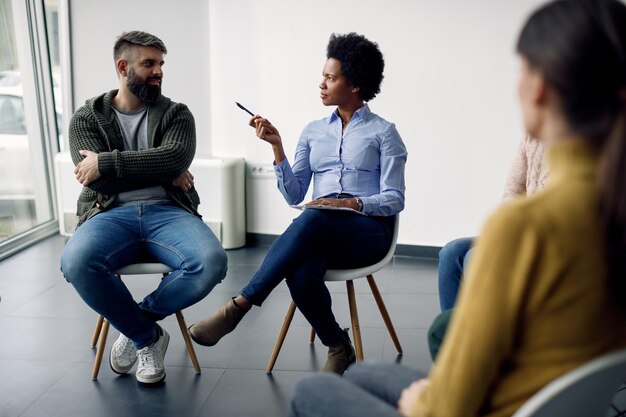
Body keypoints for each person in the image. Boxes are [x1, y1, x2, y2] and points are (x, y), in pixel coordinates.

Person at [289, 0, 626, 416]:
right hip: (551, 399)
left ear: (539, 86)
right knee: (363, 374)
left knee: (312, 393)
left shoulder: (527, 228)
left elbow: (449, 407)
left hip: (484, 405)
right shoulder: (611, 208)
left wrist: (424, 399)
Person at [188, 32, 407, 375]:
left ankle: (239, 306)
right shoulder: (312, 131)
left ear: (355, 84)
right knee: (301, 270)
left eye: (330, 78)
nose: (321, 84)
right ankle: (338, 345)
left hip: (367, 232)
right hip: (321, 227)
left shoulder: (384, 133)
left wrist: (352, 203)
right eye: (323, 76)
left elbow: (394, 198)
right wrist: (277, 147)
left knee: (315, 219)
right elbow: (294, 195)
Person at [60, 31, 227, 385]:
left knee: (211, 263)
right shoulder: (86, 118)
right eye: (149, 63)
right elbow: (98, 182)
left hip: (168, 212)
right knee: (75, 262)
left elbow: (175, 157)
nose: (158, 71)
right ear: (123, 67)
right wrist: (163, 170)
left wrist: (108, 162)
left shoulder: (177, 114)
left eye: (161, 63)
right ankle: (148, 339)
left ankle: (136, 323)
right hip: (108, 214)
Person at [438, 135, 549, 311]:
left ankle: (483, 334)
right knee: (451, 252)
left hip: (547, 240)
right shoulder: (531, 137)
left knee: (474, 257)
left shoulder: (579, 141)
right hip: (518, 231)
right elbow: (513, 190)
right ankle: (451, 334)